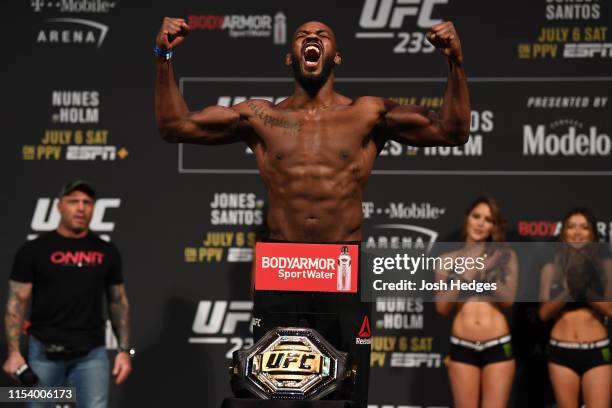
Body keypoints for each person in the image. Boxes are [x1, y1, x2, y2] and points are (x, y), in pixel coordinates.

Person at [155, 18, 470, 407]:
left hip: (342, 265)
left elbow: (453, 131)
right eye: (303, 35)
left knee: (349, 391)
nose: (312, 38)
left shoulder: (366, 114)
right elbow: (174, 127)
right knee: (272, 391)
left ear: (335, 56)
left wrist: (455, 61)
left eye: (322, 35)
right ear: (290, 57)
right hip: (282, 266)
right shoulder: (260, 117)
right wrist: (163, 55)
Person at [2, 181, 133, 408]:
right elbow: (16, 302)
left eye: (87, 202)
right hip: (44, 351)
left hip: (91, 353)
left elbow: (118, 302)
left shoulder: (106, 251)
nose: (81, 208)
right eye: (73, 201)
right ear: (59, 206)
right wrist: (14, 353)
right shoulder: (34, 250)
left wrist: (123, 351)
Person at [435, 197, 518, 408]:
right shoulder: (446, 259)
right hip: (462, 345)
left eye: (488, 219)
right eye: (476, 216)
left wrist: (485, 268)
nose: (481, 223)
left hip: (497, 344)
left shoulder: (504, 256)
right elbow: (442, 306)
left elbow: (508, 300)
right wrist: (469, 272)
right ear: (467, 219)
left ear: (494, 226)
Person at [539, 208, 612, 408]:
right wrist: (568, 291)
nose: (577, 232)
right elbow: (544, 313)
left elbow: (610, 309)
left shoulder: (606, 265)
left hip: (596, 350)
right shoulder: (551, 268)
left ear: (593, 234)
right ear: (563, 233)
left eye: (584, 227)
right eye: (571, 227)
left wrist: (584, 289)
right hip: (561, 351)